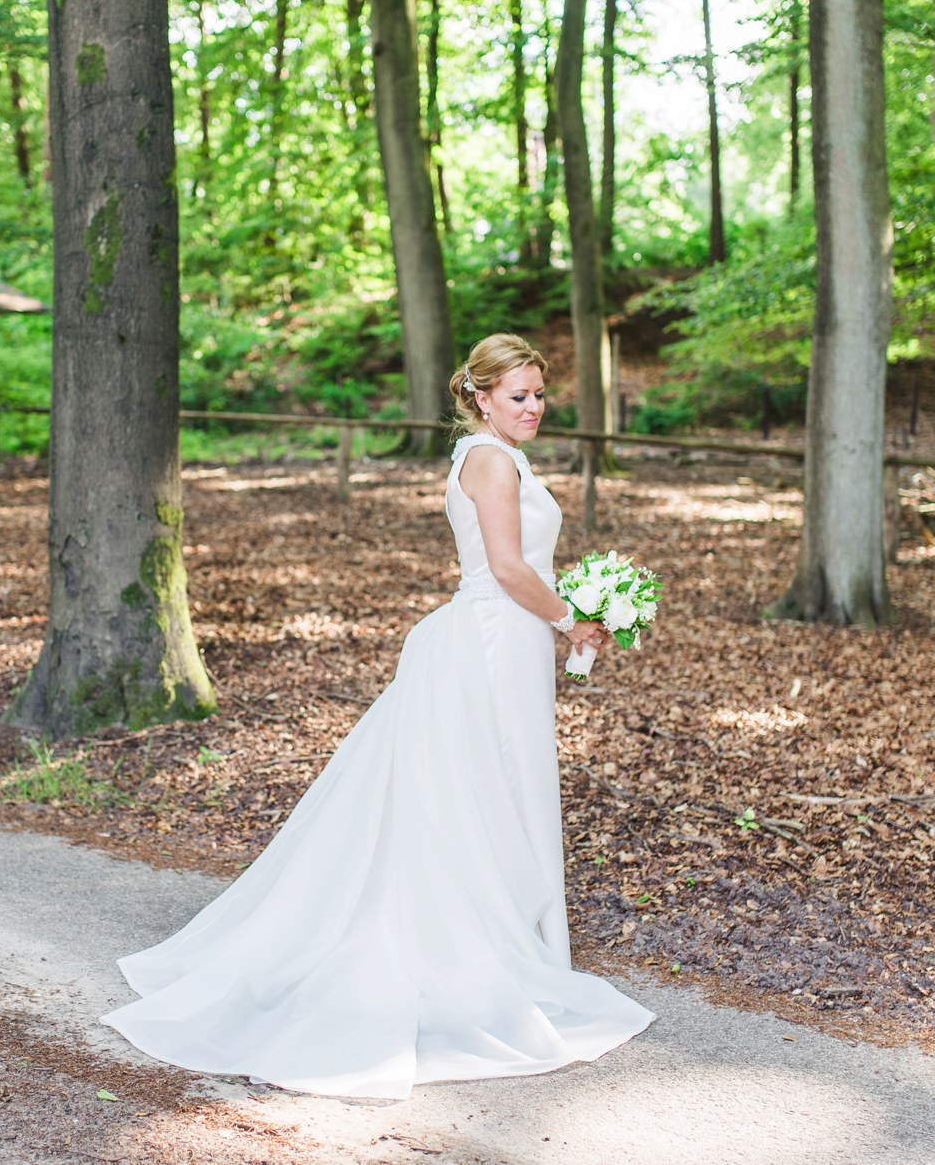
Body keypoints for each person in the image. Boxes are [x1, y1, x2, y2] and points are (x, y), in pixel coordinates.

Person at [102, 333, 654, 1100]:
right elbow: (505, 566)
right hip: (493, 638)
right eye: (518, 394)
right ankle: (477, 945)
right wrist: (571, 619)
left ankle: (508, 933)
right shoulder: (489, 459)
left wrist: (575, 616)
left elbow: (524, 565)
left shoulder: (499, 455)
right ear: (482, 396)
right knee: (489, 784)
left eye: (538, 393)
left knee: (496, 785)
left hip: (512, 638)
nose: (533, 406)